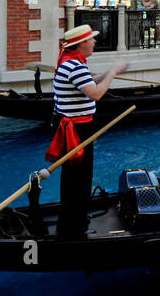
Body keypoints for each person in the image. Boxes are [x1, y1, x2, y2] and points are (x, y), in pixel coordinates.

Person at [45, 25, 130, 238]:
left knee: (73, 179)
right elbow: (96, 94)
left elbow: (89, 82)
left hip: (71, 128)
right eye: (91, 39)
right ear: (81, 43)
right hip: (77, 131)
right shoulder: (75, 66)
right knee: (79, 180)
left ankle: (72, 222)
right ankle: (74, 228)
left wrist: (108, 74)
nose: (94, 42)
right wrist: (112, 73)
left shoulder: (70, 63)